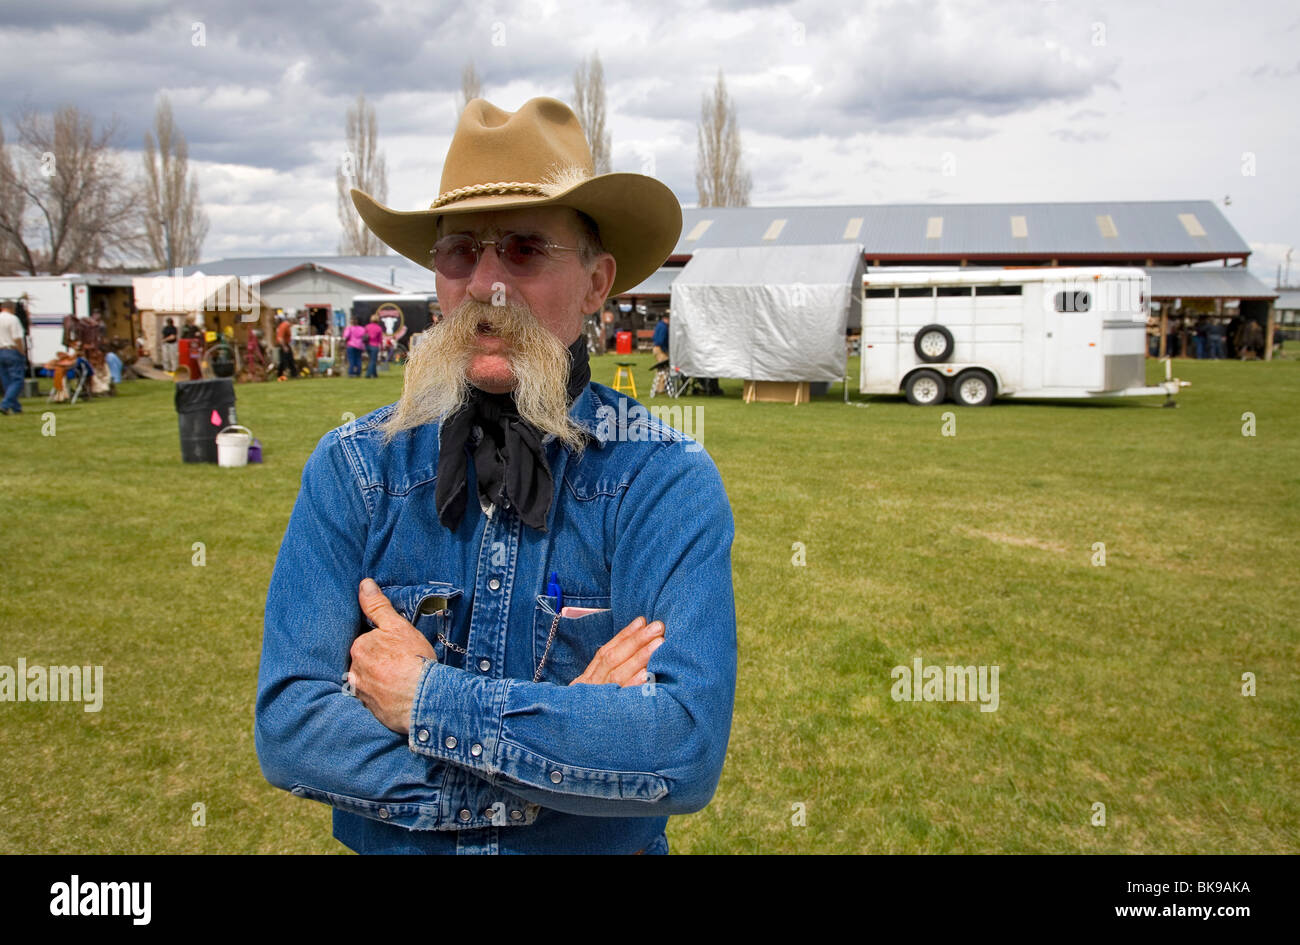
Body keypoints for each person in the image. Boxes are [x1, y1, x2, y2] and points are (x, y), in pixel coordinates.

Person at [256, 96, 736, 855]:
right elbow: (290, 727)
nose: (486, 284)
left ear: (596, 281)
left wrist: (423, 701)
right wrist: (563, 760)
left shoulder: (662, 479)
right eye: (459, 252)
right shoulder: (353, 468)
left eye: (522, 249)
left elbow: (680, 748)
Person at [0, 300, 26, 415]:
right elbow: (17, 338)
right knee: (17, 380)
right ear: (11, 308)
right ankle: (5, 404)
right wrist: (22, 351)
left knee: (7, 381)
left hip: (1, 351)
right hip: (12, 350)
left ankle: (16, 407)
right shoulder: (13, 319)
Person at [275, 314, 297, 379]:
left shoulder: (286, 326)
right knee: (283, 361)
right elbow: (280, 338)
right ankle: (280, 375)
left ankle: (294, 374)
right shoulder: (284, 326)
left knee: (290, 360)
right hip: (283, 345)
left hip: (285, 344)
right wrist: (284, 347)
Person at [364, 313, 383, 377]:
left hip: (367, 345)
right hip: (374, 346)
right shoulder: (378, 328)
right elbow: (380, 339)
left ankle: (375, 374)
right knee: (373, 360)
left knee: (371, 360)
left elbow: (364, 336)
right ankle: (368, 374)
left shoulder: (367, 326)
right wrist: (382, 347)